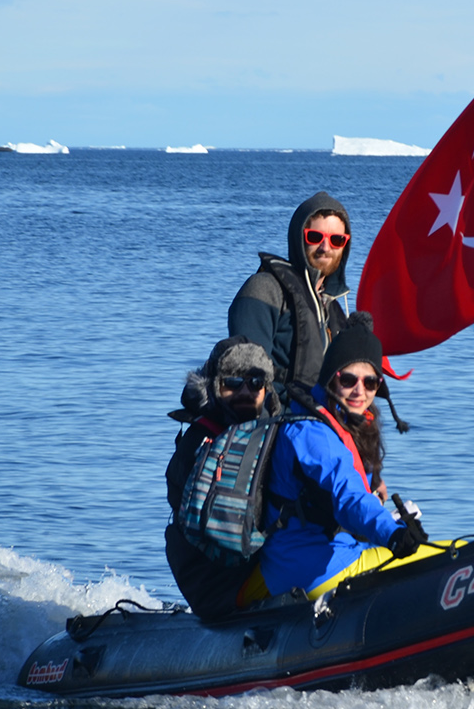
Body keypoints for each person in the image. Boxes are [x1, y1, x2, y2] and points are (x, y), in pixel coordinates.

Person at [241, 313, 425, 603]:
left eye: (371, 383)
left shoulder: (334, 421)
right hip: (312, 569)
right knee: (440, 556)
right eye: (349, 379)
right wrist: (392, 533)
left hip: (304, 559)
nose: (359, 391)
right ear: (330, 377)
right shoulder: (313, 434)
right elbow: (348, 497)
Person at [164, 337, 281, 619]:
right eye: (232, 383)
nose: (245, 391)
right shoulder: (199, 444)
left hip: (244, 568)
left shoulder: (273, 434)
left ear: (266, 389)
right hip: (221, 581)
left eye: (255, 382)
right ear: (214, 388)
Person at [228, 192, 354, 394]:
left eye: (337, 240)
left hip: (321, 420)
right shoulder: (264, 290)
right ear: (298, 238)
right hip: (278, 419)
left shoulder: (334, 309)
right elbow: (246, 378)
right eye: (314, 237)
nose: (325, 247)